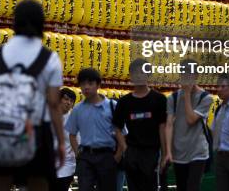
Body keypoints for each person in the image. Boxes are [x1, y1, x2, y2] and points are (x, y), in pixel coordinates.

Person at [0, 0, 66, 191]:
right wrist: (60, 141)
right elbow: (53, 103)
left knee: (0, 184)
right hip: (36, 130)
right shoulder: (49, 58)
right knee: (38, 184)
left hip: (0, 128)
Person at [113, 58, 167, 191]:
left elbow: (163, 127)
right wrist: (125, 148)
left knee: (151, 187)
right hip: (132, 152)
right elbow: (117, 127)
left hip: (152, 152)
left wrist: (165, 154)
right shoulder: (124, 102)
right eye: (135, 72)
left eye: (142, 72)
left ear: (148, 74)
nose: (139, 75)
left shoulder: (159, 99)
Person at [66, 68, 124, 191]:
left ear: (98, 85)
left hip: (107, 156)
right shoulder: (77, 110)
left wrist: (117, 156)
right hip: (86, 157)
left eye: (90, 83)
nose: (86, 87)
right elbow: (72, 135)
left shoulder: (113, 107)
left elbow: (122, 134)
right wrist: (79, 155)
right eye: (83, 84)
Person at [164, 59, 213, 191]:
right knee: (181, 187)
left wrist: (186, 94)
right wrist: (168, 151)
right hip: (178, 151)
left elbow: (191, 119)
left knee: (192, 187)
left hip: (198, 152)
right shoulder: (172, 98)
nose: (186, 78)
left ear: (196, 76)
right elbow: (168, 125)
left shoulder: (206, 98)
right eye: (184, 74)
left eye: (190, 74)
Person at [53, 88, 77, 191]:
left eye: (71, 101)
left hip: (66, 165)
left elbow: (78, 143)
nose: (68, 103)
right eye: (66, 99)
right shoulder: (48, 115)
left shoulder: (74, 119)